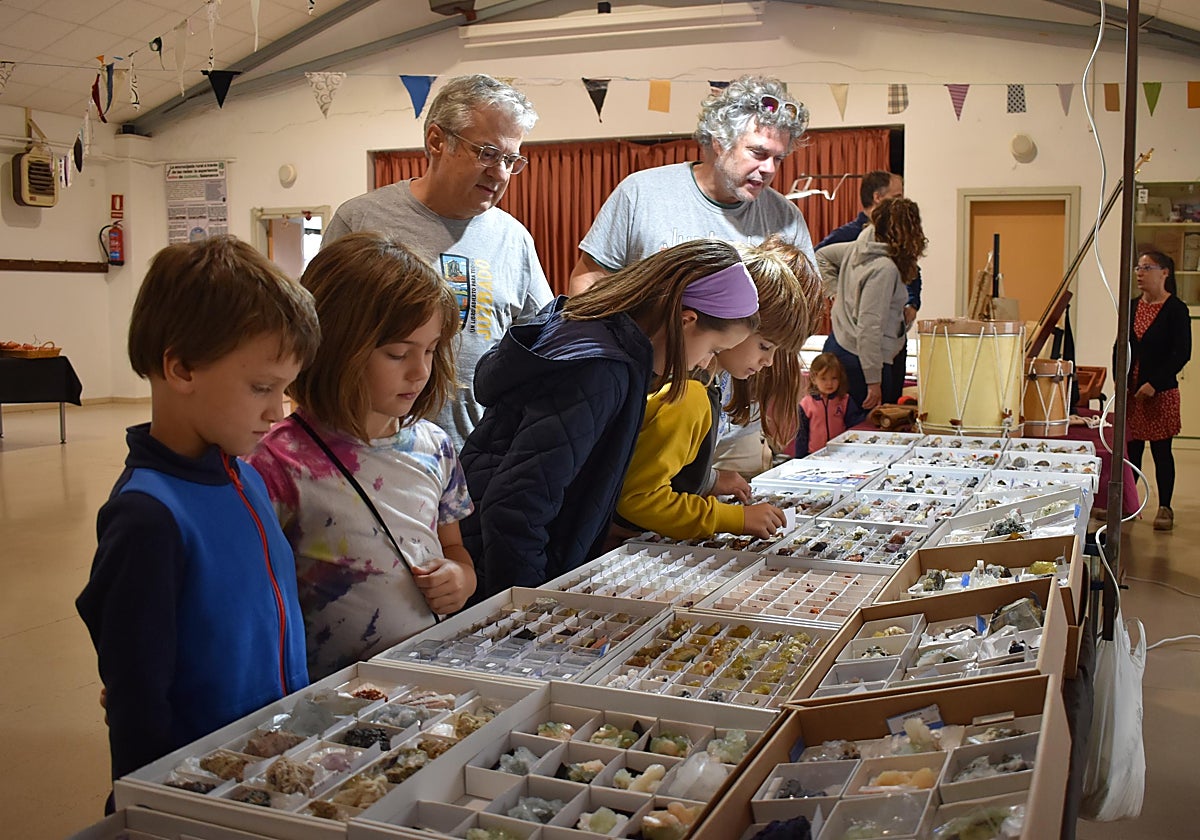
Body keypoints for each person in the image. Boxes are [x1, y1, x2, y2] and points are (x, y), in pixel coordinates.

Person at [75, 236, 320, 805]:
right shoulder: (148, 517)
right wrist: (148, 811)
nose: (275, 412)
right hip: (201, 794)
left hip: (270, 767)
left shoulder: (246, 478)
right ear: (180, 367)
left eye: (285, 391)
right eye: (261, 388)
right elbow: (137, 705)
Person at [460, 239, 760, 600]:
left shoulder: (601, 336)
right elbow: (519, 504)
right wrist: (529, 608)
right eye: (713, 349)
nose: (705, 364)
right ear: (686, 321)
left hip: (504, 555)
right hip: (495, 571)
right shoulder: (600, 369)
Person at [248, 234, 476, 680]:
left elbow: (453, 547)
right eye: (397, 353)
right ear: (334, 347)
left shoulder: (434, 445)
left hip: (429, 679)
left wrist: (462, 578)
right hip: (329, 693)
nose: (420, 371)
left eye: (430, 350)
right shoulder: (274, 462)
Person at [323, 74, 552, 451]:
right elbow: (321, 336)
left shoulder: (514, 238)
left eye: (511, 160)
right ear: (437, 141)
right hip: (370, 451)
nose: (500, 173)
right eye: (488, 154)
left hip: (479, 455)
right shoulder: (361, 220)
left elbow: (539, 340)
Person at [612, 239, 821, 541]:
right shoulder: (688, 394)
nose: (769, 362)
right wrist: (733, 518)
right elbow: (639, 498)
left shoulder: (711, 384)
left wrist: (708, 481)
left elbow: (671, 468)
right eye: (764, 346)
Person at [569, 75, 816, 295]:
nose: (770, 169)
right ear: (720, 142)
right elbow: (589, 279)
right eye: (758, 153)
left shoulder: (787, 218)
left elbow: (805, 306)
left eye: (778, 158)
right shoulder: (641, 193)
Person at [818, 171, 921, 404]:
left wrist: (911, 303)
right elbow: (869, 327)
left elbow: (824, 256)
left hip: (851, 348)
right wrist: (873, 382)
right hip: (863, 357)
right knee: (866, 427)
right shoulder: (883, 268)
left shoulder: (863, 245)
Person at [1123, 250, 1191, 531]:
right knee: (1132, 451)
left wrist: (1155, 384)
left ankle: (1165, 508)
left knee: (1162, 452)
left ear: (1164, 272)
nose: (1140, 273)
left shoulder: (1176, 309)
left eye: (1147, 267)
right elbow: (1122, 346)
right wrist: (1121, 378)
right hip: (1133, 393)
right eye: (1138, 268)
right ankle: (1127, 506)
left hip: (1160, 393)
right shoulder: (1132, 307)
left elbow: (1181, 354)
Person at [796, 352, 867, 457]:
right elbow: (801, 435)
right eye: (823, 378)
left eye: (834, 378)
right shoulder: (806, 404)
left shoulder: (845, 400)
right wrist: (800, 458)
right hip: (814, 455)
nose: (829, 383)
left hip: (842, 453)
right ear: (813, 378)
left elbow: (854, 425)